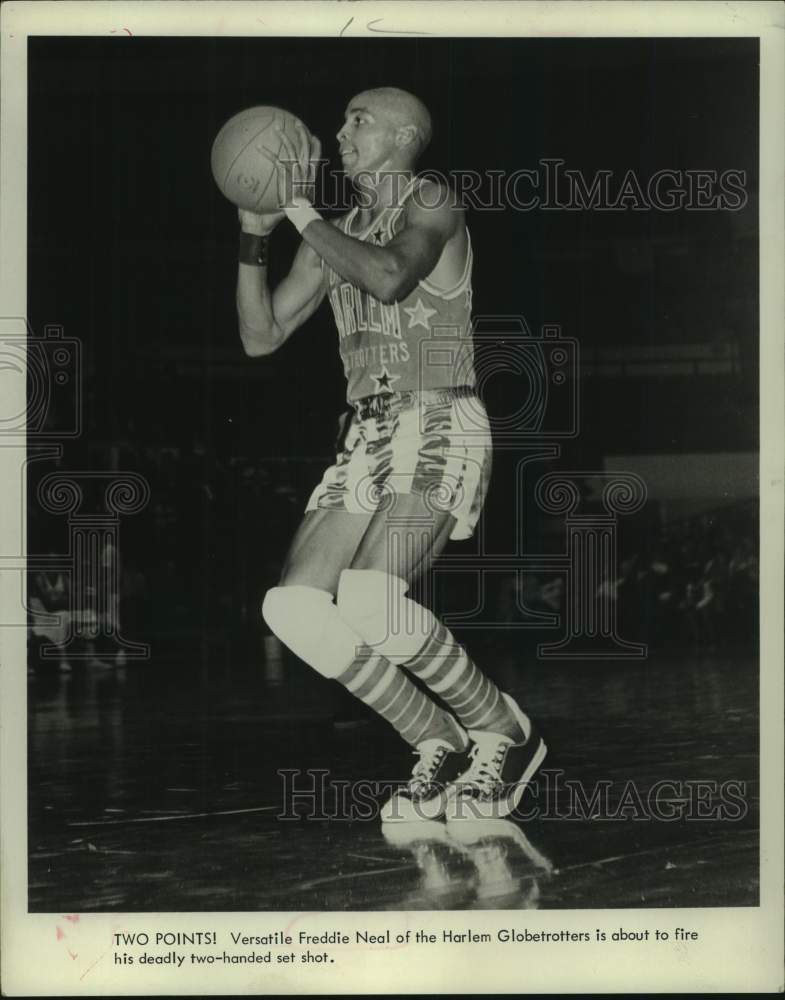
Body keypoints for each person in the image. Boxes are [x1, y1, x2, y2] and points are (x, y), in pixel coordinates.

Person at [235, 86, 546, 822]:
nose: (341, 132)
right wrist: (253, 233)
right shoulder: (334, 230)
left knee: (371, 601)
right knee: (292, 608)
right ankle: (436, 739)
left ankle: (506, 732)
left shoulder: (432, 200)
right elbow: (260, 335)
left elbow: (389, 275)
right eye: (344, 120)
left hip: (438, 416)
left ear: (405, 136)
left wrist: (298, 209)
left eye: (359, 119)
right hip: (366, 434)